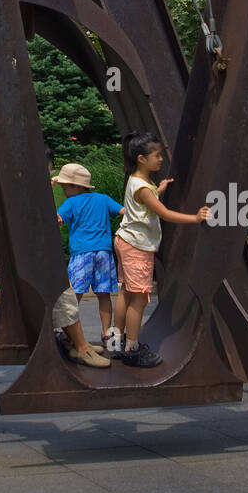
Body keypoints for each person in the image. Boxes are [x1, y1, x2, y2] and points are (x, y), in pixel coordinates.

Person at [113, 131, 210, 367]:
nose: (160, 159)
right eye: (156, 156)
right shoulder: (143, 187)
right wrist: (195, 218)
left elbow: (145, 201)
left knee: (126, 293)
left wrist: (160, 189)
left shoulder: (138, 182)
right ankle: (132, 348)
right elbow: (164, 213)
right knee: (139, 299)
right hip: (137, 246)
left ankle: (115, 342)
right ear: (141, 159)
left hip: (125, 240)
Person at [53, 162, 123, 353]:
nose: (64, 190)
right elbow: (124, 212)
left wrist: (49, 188)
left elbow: (56, 219)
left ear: (75, 186)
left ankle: (69, 334)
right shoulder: (103, 199)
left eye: (65, 187)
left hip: (82, 255)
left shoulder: (71, 203)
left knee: (74, 296)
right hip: (104, 252)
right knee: (104, 294)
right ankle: (106, 333)